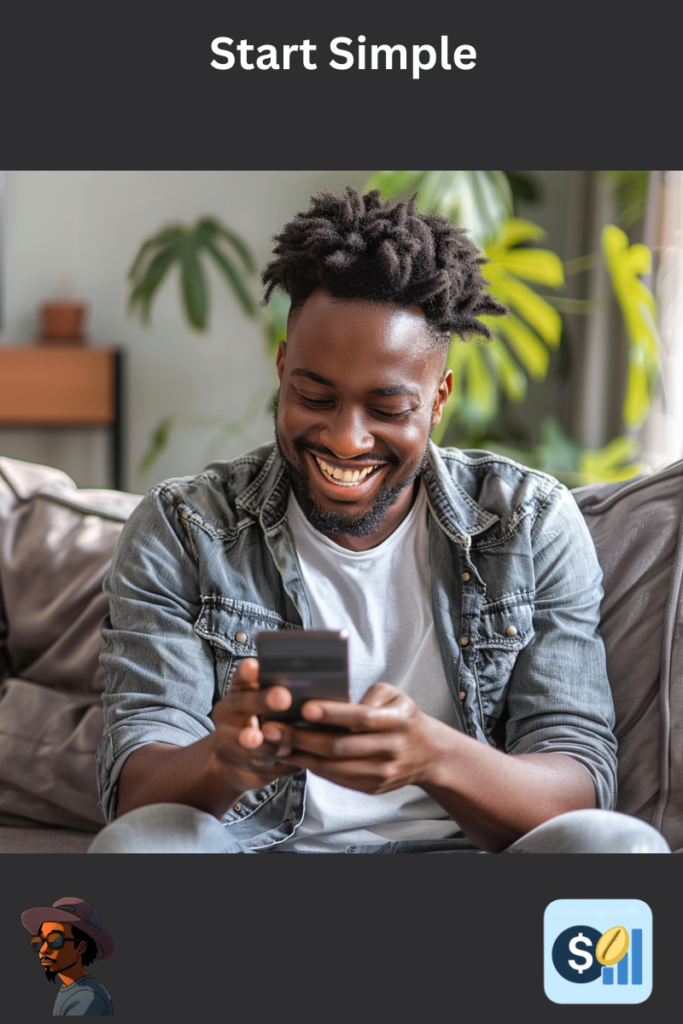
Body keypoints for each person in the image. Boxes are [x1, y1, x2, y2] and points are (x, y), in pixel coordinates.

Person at [90, 186, 669, 855]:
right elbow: (137, 797)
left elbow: (577, 784)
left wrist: (434, 755)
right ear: (282, 369)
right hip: (258, 856)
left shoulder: (528, 523)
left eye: (388, 409)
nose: (346, 439)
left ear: (438, 399)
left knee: (617, 849)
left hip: (463, 861)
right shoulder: (185, 529)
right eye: (314, 396)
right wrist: (226, 758)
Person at [21, 897, 114, 1015]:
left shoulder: (87, 997)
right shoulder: (72, 988)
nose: (43, 949)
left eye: (55, 940)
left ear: (81, 947)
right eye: (39, 941)